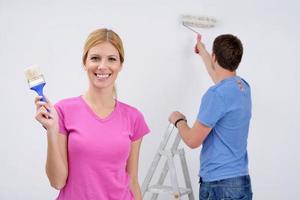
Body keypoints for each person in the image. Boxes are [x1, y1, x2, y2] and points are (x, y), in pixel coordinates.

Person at [34, 28, 150, 200]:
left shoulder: (134, 118)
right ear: (85, 63)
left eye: (112, 59)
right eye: (95, 58)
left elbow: (132, 181)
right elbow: (57, 182)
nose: (102, 66)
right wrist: (51, 131)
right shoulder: (63, 111)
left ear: (120, 65)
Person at [169, 34, 253, 200]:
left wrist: (178, 120)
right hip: (241, 182)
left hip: (219, 185)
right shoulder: (242, 87)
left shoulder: (216, 95)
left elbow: (193, 141)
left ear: (215, 57)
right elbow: (220, 78)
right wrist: (203, 51)